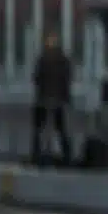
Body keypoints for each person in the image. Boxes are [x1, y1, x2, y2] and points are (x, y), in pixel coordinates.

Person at [31, 30, 73, 164]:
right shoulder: (60, 59)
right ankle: (64, 155)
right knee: (54, 127)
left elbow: (37, 78)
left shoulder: (45, 59)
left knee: (46, 127)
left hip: (48, 98)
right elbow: (66, 78)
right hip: (51, 98)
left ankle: (40, 154)